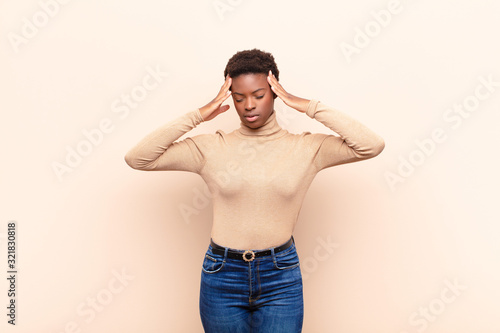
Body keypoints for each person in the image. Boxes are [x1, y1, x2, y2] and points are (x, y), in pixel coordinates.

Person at [124, 48, 385, 333]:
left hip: (280, 276)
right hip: (222, 275)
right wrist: (199, 114)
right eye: (239, 97)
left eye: (259, 95)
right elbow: (139, 158)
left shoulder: (307, 148)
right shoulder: (212, 148)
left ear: (274, 93)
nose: (249, 105)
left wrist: (306, 105)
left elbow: (370, 145)